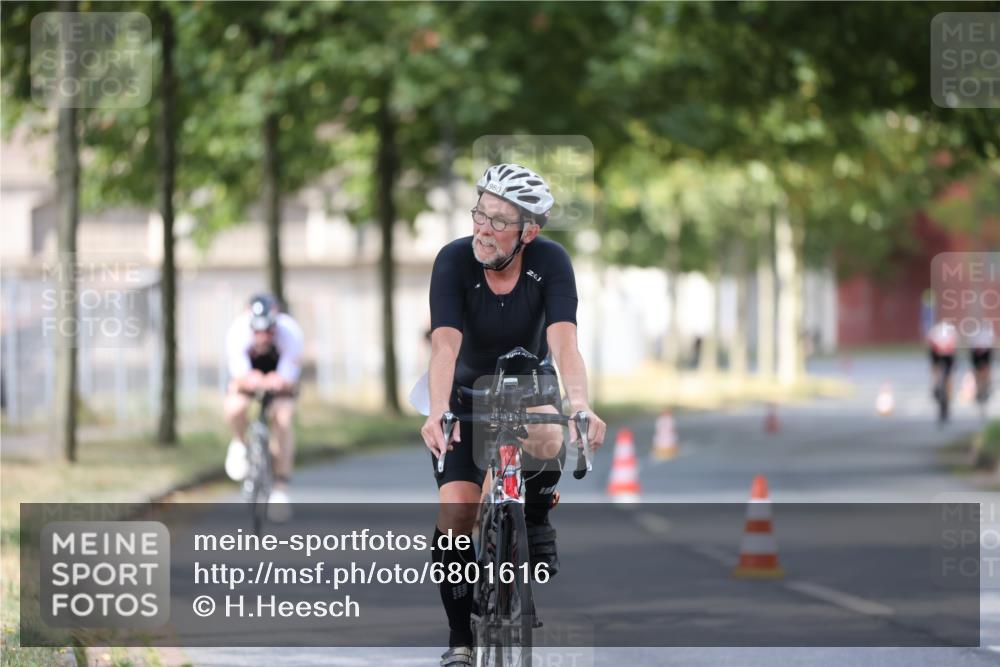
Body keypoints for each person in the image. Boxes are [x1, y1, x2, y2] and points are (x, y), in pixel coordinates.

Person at [419, 163, 607, 665]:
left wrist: (582, 404)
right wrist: (438, 411)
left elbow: (565, 344)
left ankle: (536, 516)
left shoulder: (552, 261)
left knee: (550, 434)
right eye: (480, 212)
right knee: (457, 512)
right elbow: (444, 347)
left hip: (527, 384)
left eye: (499, 220)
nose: (483, 227)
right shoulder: (454, 261)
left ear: (529, 232)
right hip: (462, 393)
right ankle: (460, 640)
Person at [223, 293, 304, 519]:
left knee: (283, 419)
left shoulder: (291, 333)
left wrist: (276, 381)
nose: (262, 337)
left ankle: (280, 488)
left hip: (279, 376)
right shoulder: (237, 332)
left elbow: (288, 378)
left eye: (268, 331)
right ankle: (240, 443)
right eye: (257, 331)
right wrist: (252, 379)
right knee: (234, 407)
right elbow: (239, 376)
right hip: (251, 374)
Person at [927, 319, 959, 414]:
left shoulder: (935, 330)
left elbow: (930, 343)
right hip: (948, 354)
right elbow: (955, 344)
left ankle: (936, 384)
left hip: (937, 353)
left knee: (936, 369)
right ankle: (948, 394)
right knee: (949, 376)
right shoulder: (951, 331)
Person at [969, 321, 995, 406]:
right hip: (978, 352)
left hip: (983, 351)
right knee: (979, 371)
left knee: (985, 369)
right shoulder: (980, 333)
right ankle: (980, 386)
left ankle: (987, 384)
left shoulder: (986, 332)